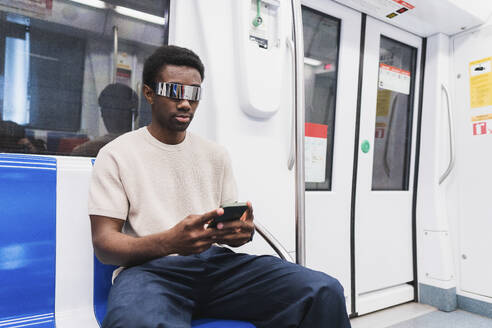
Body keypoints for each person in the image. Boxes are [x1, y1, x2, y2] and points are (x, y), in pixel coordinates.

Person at [88, 45, 352, 328]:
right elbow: (105, 245)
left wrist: (239, 234)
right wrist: (170, 242)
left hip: (215, 267)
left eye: (194, 94)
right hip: (151, 271)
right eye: (175, 91)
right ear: (149, 93)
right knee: (134, 323)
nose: (186, 103)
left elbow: (226, 227)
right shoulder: (117, 154)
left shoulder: (215, 155)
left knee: (323, 291)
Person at [72, 83, 138, 156]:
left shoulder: (87, 150)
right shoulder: (145, 148)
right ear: (135, 115)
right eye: (105, 109)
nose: (103, 114)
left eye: (106, 109)